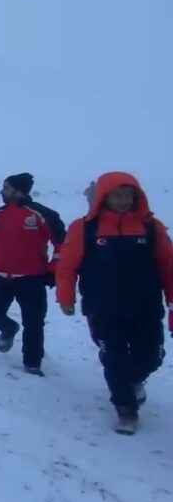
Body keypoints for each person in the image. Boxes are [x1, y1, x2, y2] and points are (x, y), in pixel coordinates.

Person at [56, 172, 173, 434]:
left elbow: (169, 267)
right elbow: (67, 266)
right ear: (104, 197)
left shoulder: (151, 227)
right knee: (114, 360)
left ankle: (132, 381)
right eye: (117, 196)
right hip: (103, 310)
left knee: (151, 358)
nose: (123, 201)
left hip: (146, 308)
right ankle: (126, 410)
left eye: (128, 195)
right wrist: (66, 297)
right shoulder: (85, 228)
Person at [0, 173, 65, 376]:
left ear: (19, 191)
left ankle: (32, 364)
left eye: (6, 188)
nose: (2, 191)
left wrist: (53, 270)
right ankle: (9, 329)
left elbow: (62, 244)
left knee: (34, 322)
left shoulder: (43, 215)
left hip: (31, 279)